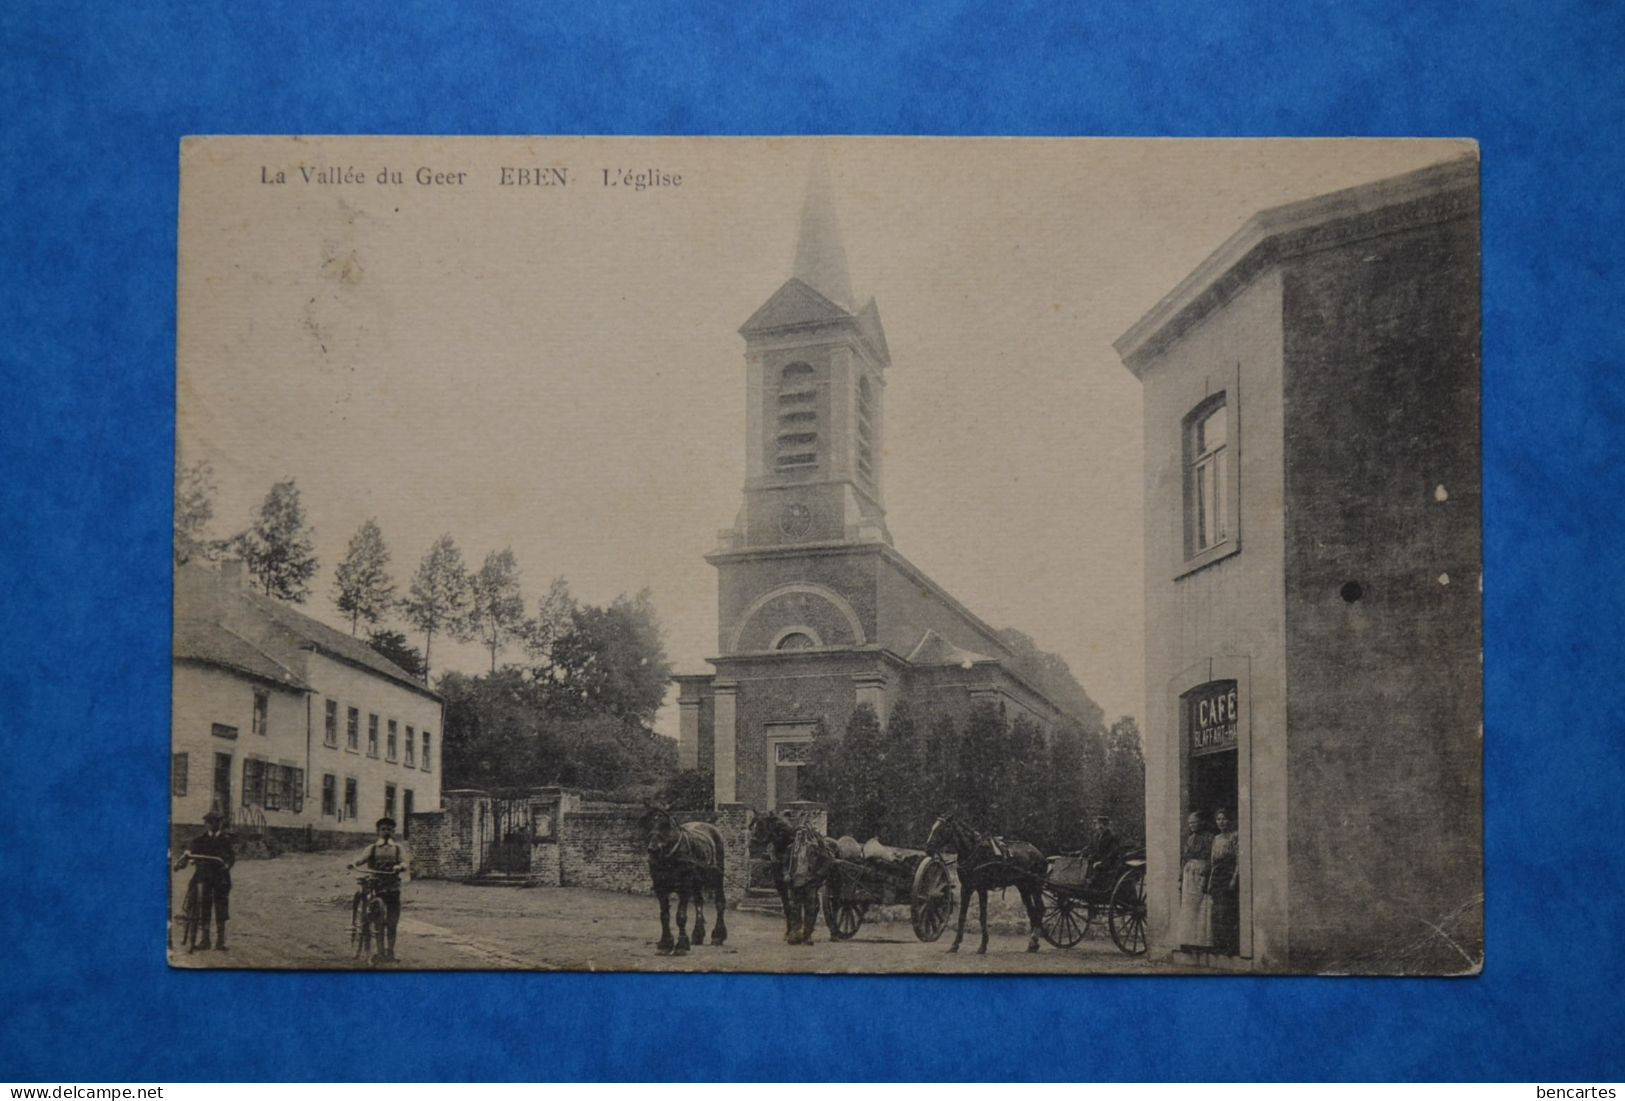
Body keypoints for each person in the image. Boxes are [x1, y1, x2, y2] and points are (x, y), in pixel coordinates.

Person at [349, 816, 411, 963]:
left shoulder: (397, 848)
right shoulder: (372, 848)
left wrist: (400, 866)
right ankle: (380, 952)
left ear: (394, 832)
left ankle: (390, 951)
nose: (386, 832)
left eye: (389, 829)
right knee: (378, 921)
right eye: (383, 829)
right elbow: (362, 858)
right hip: (377, 887)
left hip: (393, 888)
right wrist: (354, 863)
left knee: (392, 923)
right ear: (378, 831)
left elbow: (405, 862)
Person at [176, 810, 235, 952]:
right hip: (204, 875)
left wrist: (226, 865)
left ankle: (220, 941)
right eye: (210, 822)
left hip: (220, 876)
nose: (213, 825)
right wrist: (185, 856)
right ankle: (205, 940)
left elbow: (230, 857)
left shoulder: (225, 840)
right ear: (207, 824)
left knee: (221, 907)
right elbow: (191, 849)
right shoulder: (201, 839)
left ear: (219, 824)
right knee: (204, 906)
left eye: (216, 822)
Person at [1175, 810, 1214, 950]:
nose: (1192, 825)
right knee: (1189, 907)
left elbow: (1212, 857)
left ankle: (1201, 942)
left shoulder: (1210, 838)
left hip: (1201, 872)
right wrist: (1180, 877)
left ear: (1202, 822)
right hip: (1189, 874)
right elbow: (1184, 858)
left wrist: (1207, 868)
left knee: (1202, 906)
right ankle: (1189, 940)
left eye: (1194, 822)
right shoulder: (1190, 838)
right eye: (1190, 823)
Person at [1207, 807, 1240, 955]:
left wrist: (1234, 878)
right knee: (1216, 912)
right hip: (1217, 876)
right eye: (1219, 819)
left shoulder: (1234, 836)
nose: (1221, 822)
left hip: (1229, 873)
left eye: (1224, 819)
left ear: (1230, 820)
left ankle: (1230, 946)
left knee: (1227, 911)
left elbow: (1239, 859)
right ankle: (1218, 945)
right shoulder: (1216, 838)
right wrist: (1209, 882)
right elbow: (1213, 861)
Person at [1084, 814, 1121, 889]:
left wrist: (1102, 862)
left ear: (1107, 826)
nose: (1100, 827)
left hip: (1109, 861)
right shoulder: (1096, 836)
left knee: (1096, 867)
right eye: (1098, 824)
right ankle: (1084, 882)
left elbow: (1113, 852)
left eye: (1103, 824)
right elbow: (1090, 847)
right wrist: (1081, 853)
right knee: (1085, 863)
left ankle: (1091, 885)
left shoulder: (1112, 837)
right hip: (1096, 859)